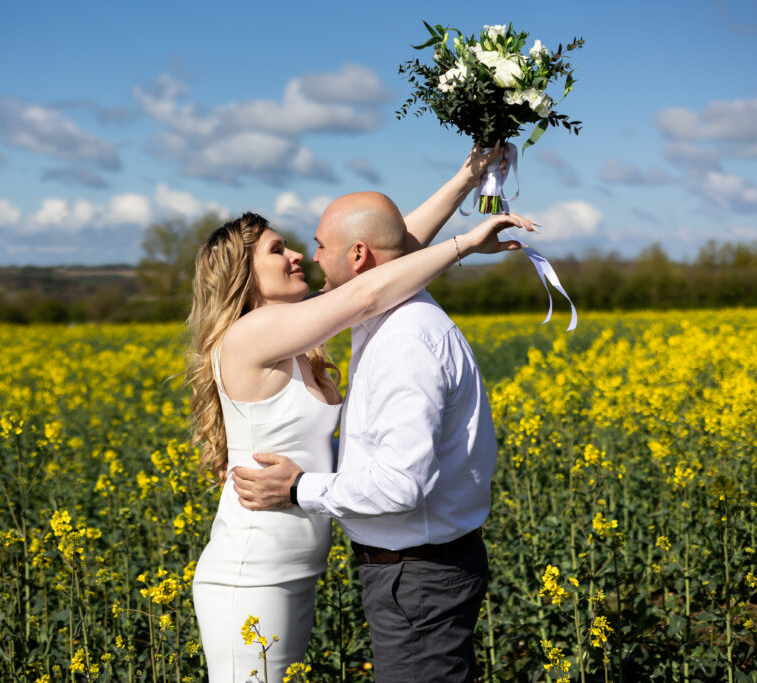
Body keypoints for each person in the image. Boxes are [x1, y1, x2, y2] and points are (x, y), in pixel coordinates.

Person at [187, 147, 535, 682]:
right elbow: (370, 282)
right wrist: (465, 243)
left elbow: (385, 251)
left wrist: (467, 178)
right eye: (279, 251)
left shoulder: (299, 330)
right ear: (244, 276)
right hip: (251, 570)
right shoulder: (249, 335)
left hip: (295, 568)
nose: (300, 255)